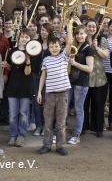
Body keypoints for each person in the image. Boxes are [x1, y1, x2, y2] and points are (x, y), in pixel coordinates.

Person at [37, 23, 73, 156]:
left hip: (63, 94)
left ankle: (61, 145)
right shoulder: (46, 60)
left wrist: (69, 26)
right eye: (51, 46)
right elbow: (43, 77)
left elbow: (69, 42)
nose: (54, 48)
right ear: (49, 47)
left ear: (60, 46)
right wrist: (40, 92)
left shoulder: (64, 56)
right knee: (47, 121)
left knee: (61, 122)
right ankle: (46, 145)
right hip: (50, 94)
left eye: (56, 46)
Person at [4, 29, 39, 147]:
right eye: (22, 37)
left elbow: (28, 72)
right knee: (13, 114)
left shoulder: (33, 53)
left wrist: (28, 62)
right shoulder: (12, 51)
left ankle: (21, 136)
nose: (24, 39)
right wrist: (6, 65)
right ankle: (13, 136)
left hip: (25, 87)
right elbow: (9, 67)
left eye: (27, 37)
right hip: (13, 86)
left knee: (23, 113)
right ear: (19, 38)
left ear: (30, 40)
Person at [67, 25, 94, 145]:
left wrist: (74, 63)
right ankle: (61, 132)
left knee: (78, 108)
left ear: (86, 35)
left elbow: (89, 68)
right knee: (65, 107)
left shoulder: (88, 49)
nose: (79, 36)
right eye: (77, 33)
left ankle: (77, 134)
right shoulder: (74, 46)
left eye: (82, 34)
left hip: (82, 83)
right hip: (70, 80)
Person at [84, 19, 109, 137]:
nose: (92, 29)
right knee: (84, 104)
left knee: (98, 104)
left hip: (99, 77)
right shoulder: (81, 38)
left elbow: (105, 55)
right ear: (86, 27)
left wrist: (97, 47)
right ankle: (83, 127)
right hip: (84, 76)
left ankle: (98, 128)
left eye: (94, 27)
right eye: (89, 26)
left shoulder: (102, 39)